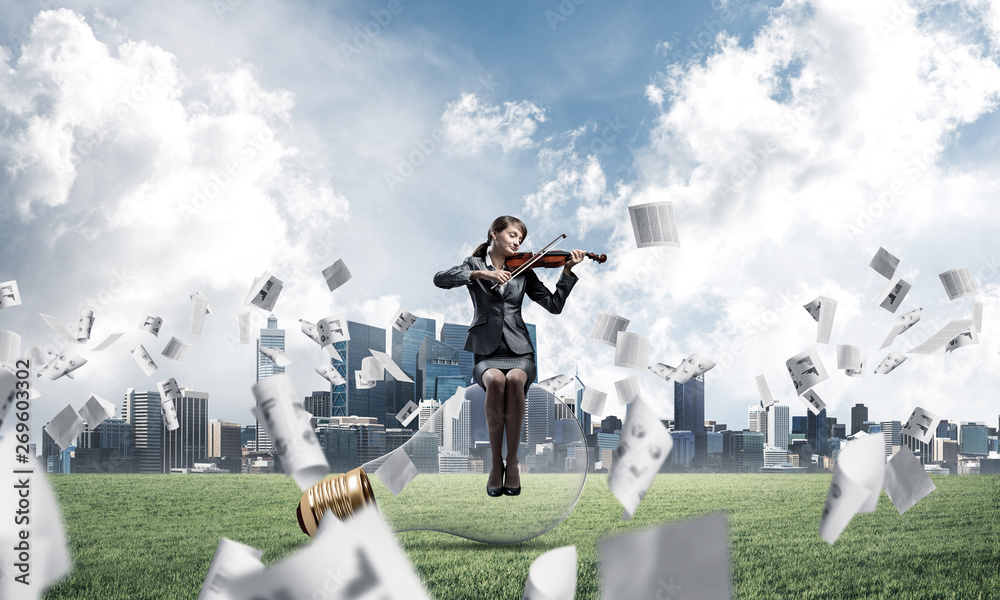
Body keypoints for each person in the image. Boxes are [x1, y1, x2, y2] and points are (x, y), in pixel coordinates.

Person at [433, 216, 583, 497]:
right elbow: (440, 279)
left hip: (520, 350)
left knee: (514, 380)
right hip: (486, 351)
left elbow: (554, 305)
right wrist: (482, 275)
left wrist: (567, 272)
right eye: (513, 235)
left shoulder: (524, 270)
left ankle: (511, 462)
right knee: (495, 381)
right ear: (494, 234)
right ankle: (494, 463)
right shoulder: (473, 264)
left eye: (520, 239)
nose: (517, 242)